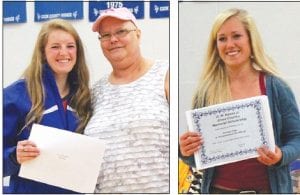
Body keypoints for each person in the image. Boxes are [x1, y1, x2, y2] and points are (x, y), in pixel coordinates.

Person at [179, 8, 300, 194]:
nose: (230, 44)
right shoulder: (206, 92)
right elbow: (199, 157)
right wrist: (186, 152)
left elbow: (297, 139)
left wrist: (281, 155)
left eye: (236, 36)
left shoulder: (276, 87)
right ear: (215, 45)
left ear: (251, 40)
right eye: (222, 38)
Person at [84, 7, 169, 193]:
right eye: (105, 35)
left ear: (138, 35)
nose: (113, 39)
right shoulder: (96, 92)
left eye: (121, 31)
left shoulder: (166, 75)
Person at [3, 19, 92, 193]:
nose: (64, 52)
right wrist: (14, 156)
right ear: (43, 53)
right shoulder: (15, 96)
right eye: (55, 46)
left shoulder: (85, 98)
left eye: (70, 46)